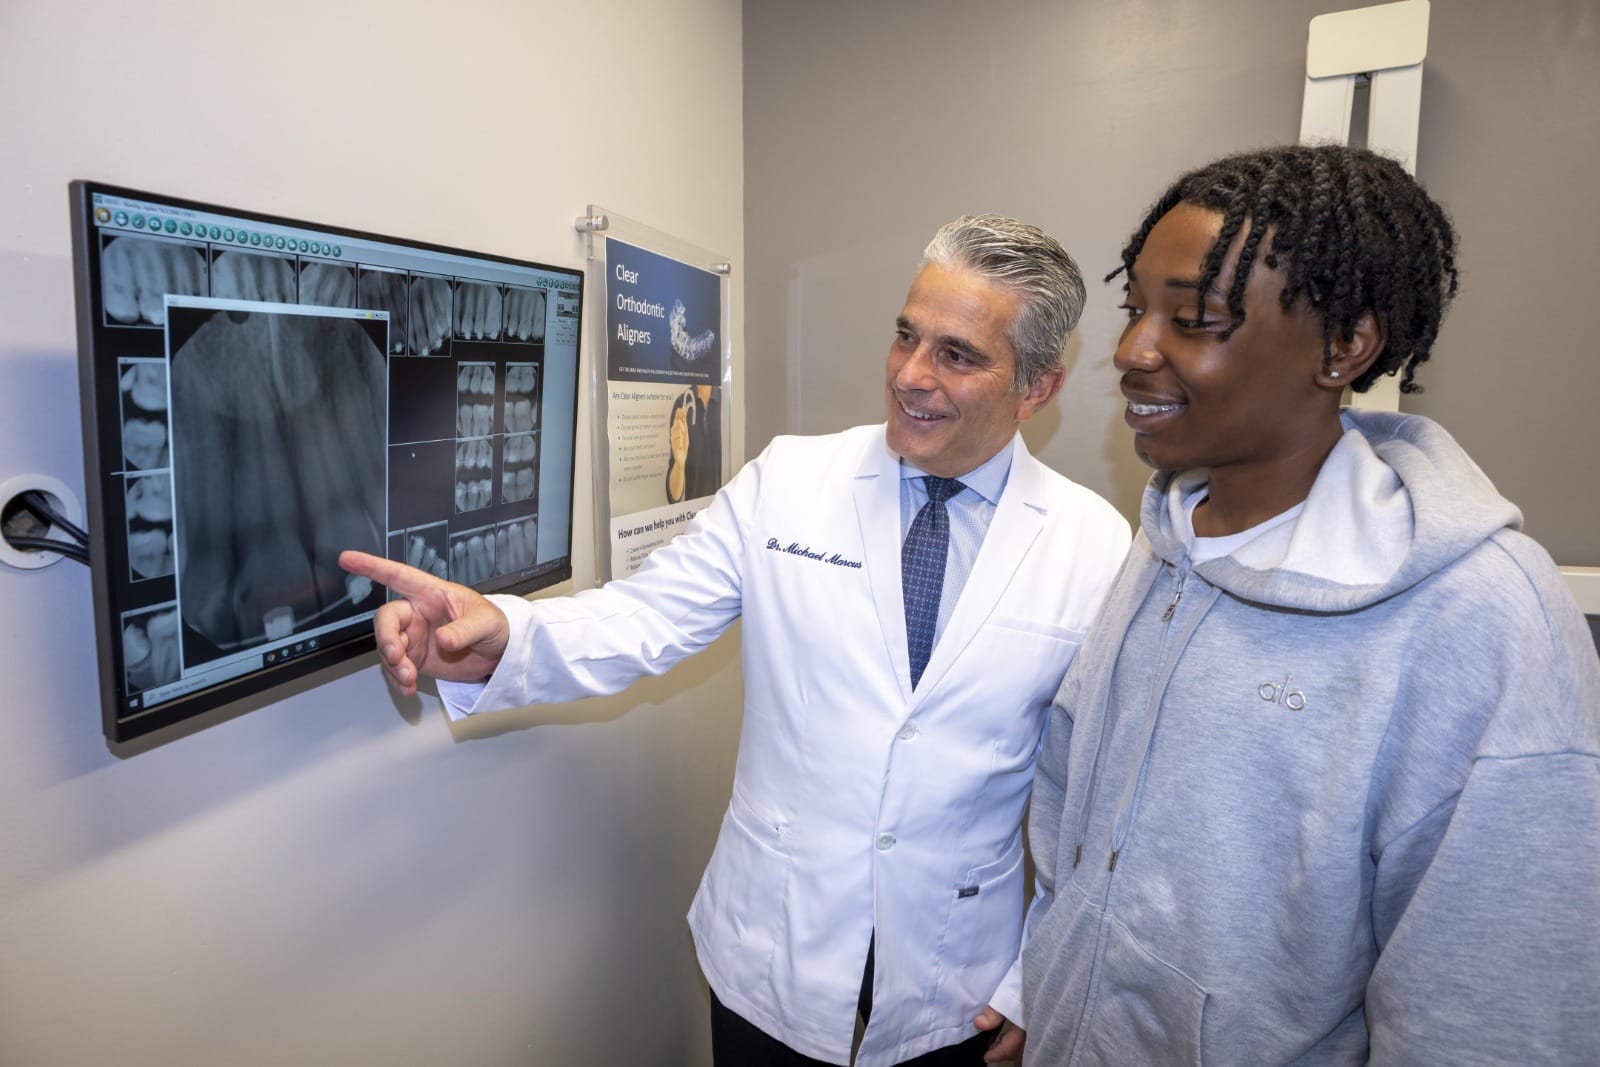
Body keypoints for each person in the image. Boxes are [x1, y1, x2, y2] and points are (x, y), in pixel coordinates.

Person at [340, 214, 1132, 1067]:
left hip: (962, 975)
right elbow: (645, 615)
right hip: (771, 939)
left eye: (957, 354)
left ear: (1039, 387)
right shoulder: (789, 480)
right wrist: (500, 630)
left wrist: (1034, 976)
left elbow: (1091, 795)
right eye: (906, 336)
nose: (910, 374)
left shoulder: (1092, 543)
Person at [1021, 144, 1600, 1064]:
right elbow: (1070, 800)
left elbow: (1493, 1016)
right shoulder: (1169, 542)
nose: (1131, 351)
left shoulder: (1483, 618)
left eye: (1196, 318)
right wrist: (1051, 986)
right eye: (1137, 310)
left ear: (1346, 345)